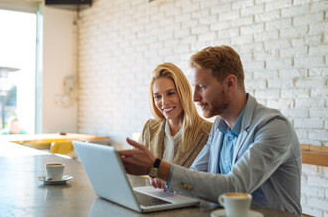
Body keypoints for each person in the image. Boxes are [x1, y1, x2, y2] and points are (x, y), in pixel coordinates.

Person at [118, 46, 302, 215]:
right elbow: (195, 174)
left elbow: (235, 187)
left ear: (230, 84)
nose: (195, 97)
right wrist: (167, 180)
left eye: (202, 87)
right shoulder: (218, 128)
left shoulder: (273, 126)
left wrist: (159, 167)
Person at [139, 63, 212, 188]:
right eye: (157, 96)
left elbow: (208, 182)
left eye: (171, 93)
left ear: (183, 93)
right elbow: (139, 172)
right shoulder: (150, 128)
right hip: (152, 198)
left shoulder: (208, 132)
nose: (164, 102)